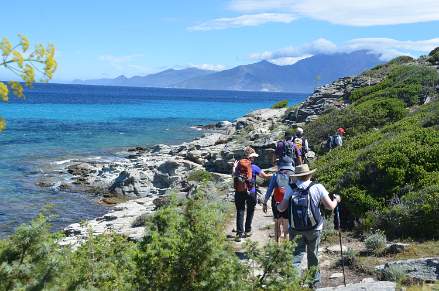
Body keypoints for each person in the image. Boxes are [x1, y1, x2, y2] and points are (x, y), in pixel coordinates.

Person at [277, 164, 341, 286]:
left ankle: (292, 285)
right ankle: (314, 284)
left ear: (297, 176)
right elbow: (330, 206)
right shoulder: (318, 187)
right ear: (310, 174)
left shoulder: (290, 188)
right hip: (314, 228)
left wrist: (277, 205)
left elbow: (281, 208)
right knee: (313, 256)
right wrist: (336, 200)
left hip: (295, 229)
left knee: (295, 256)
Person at [233, 147, 270, 242]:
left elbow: (233, 175)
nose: (254, 159)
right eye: (253, 157)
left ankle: (239, 234)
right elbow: (264, 176)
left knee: (240, 211)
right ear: (250, 157)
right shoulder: (254, 167)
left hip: (239, 191)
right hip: (251, 191)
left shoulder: (238, 165)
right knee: (250, 210)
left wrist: (234, 167)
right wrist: (274, 175)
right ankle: (248, 230)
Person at [262, 156, 294, 242]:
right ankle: (286, 249)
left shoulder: (276, 175)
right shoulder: (293, 175)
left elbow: (269, 190)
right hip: (288, 202)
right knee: (286, 226)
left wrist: (265, 203)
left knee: (277, 224)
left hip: (276, 201)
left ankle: (277, 248)